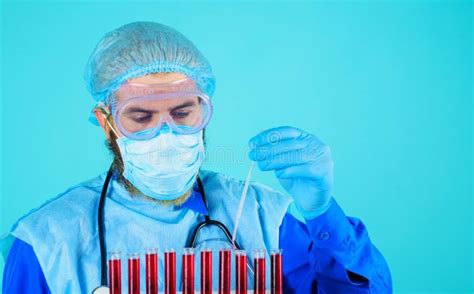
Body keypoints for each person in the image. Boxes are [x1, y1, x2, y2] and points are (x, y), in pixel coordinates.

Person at [1, 21, 392, 293]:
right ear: (106, 123)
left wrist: (322, 213)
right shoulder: (47, 242)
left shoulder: (262, 216)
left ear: (205, 110)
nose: (166, 132)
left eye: (183, 112)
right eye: (141, 116)